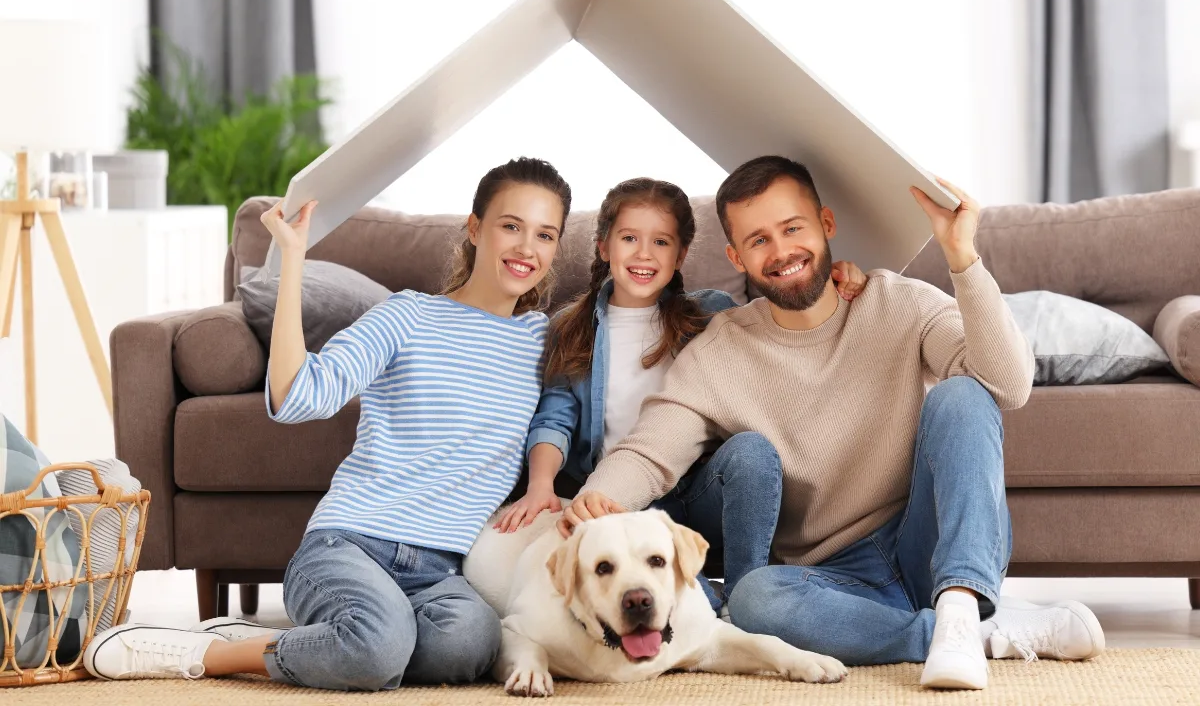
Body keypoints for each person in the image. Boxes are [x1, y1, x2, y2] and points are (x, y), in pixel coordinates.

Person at [558, 156, 1104, 690]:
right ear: (737, 256)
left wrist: (962, 257)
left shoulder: (900, 302)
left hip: (923, 539)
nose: (780, 252)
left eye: (792, 228)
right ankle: (969, 633)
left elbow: (1008, 384)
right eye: (758, 240)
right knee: (753, 600)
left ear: (826, 225)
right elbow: (653, 449)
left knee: (963, 395)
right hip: (829, 579)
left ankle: (961, 604)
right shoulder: (718, 351)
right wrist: (593, 503)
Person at [85, 158, 574, 691]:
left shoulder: (542, 340)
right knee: (378, 648)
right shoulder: (407, 315)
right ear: (476, 228)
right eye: (511, 226)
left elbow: (559, 415)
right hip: (349, 544)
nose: (527, 247)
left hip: (441, 570)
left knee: (471, 645)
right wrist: (292, 261)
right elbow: (298, 396)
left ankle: (353, 640)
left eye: (544, 234)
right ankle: (210, 651)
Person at [494, 177, 866, 613]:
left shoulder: (710, 314)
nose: (644, 254)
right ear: (603, 246)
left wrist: (836, 275)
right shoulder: (570, 327)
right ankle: (711, 604)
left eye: (662, 242)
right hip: (624, 500)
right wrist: (540, 486)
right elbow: (553, 420)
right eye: (629, 238)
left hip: (700, 490)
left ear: (681, 254)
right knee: (690, 608)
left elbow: (785, 307)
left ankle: (750, 594)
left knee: (751, 451)